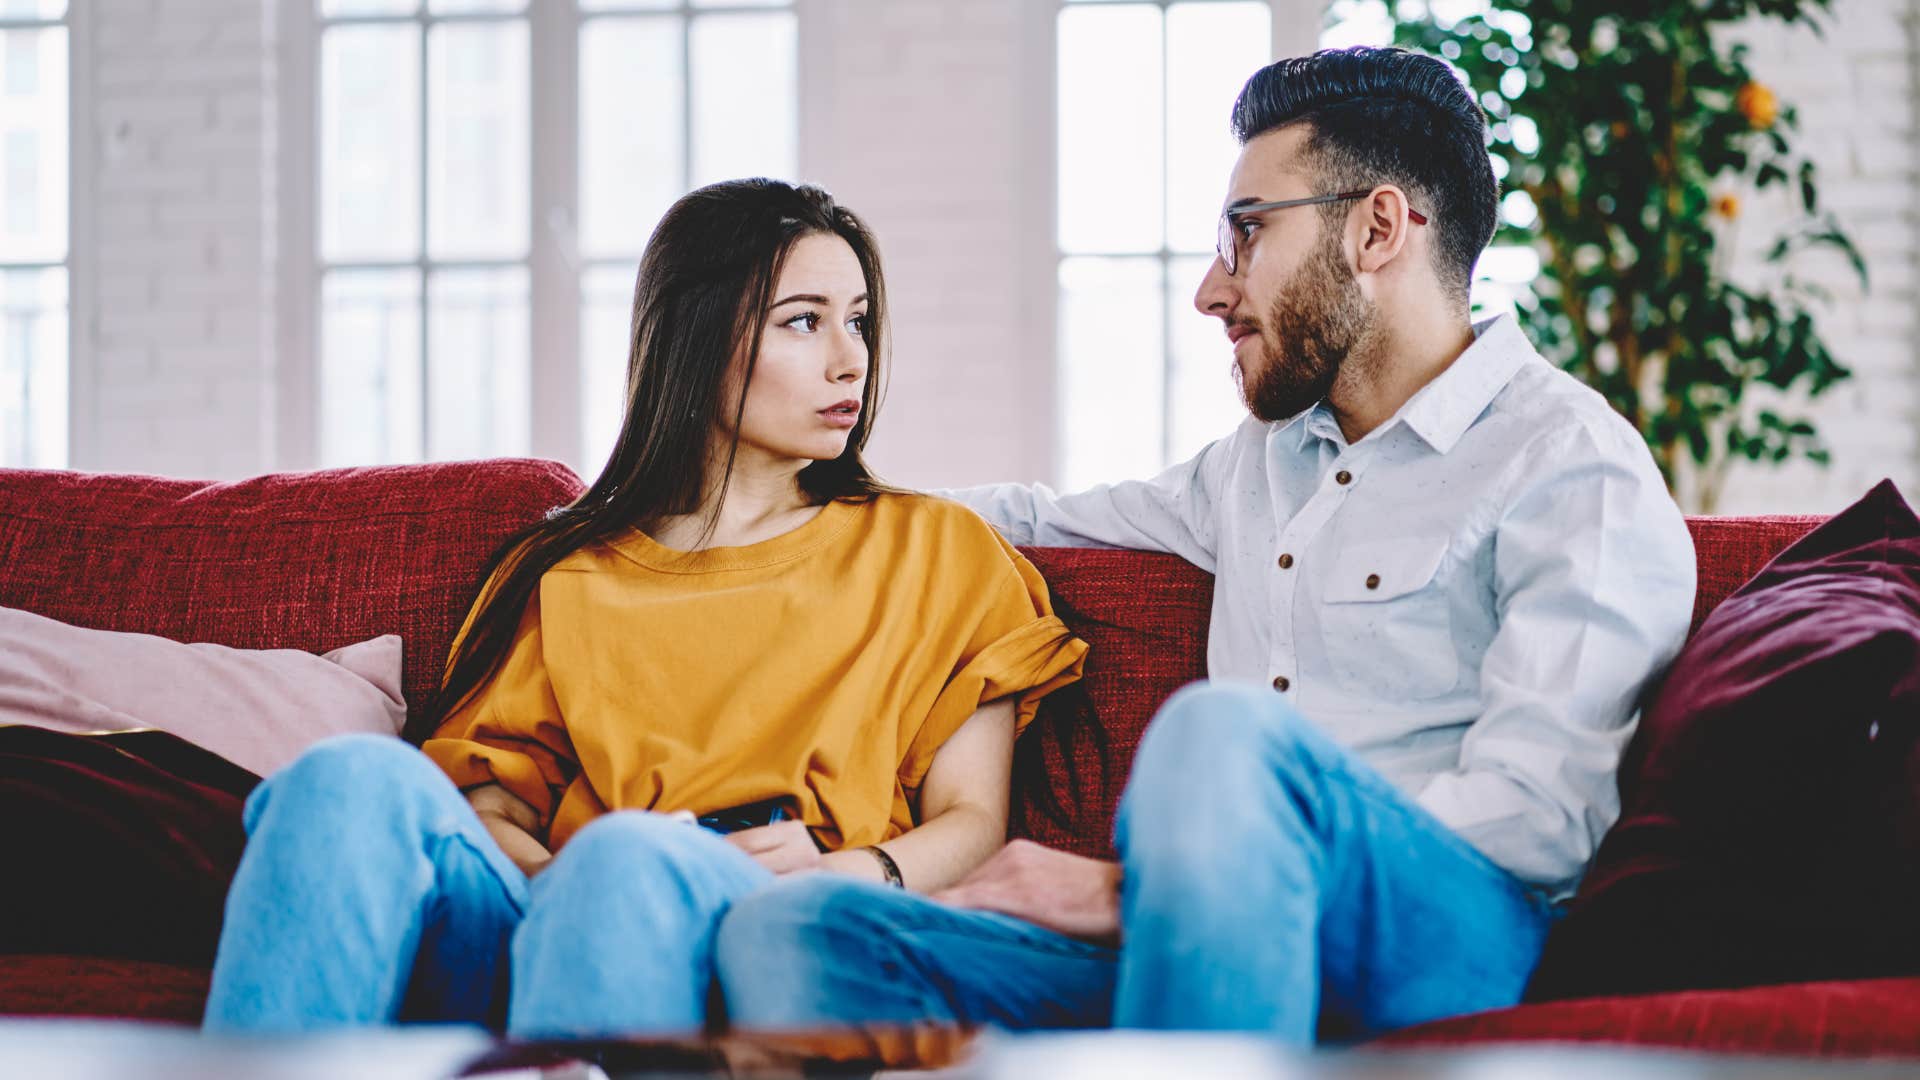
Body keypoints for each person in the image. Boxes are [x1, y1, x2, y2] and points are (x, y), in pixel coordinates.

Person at [712, 46, 1698, 1042]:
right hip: (1198, 933)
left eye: (1246, 233)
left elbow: (1539, 822)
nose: (1213, 293)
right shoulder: (1262, 464)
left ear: (1378, 228)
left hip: (1452, 938)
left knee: (1220, 736)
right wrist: (757, 505)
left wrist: (1143, 886)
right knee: (797, 930)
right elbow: (1033, 518)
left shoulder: (1569, 463)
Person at [202, 179, 1087, 1037]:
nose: (850, 358)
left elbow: (975, 821)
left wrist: (851, 872)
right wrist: (561, 888)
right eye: (804, 321)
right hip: (545, 919)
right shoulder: (575, 573)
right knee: (342, 777)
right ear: (697, 340)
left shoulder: (937, 550)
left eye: (857, 320)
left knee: (629, 856)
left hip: (752, 921)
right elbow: (494, 807)